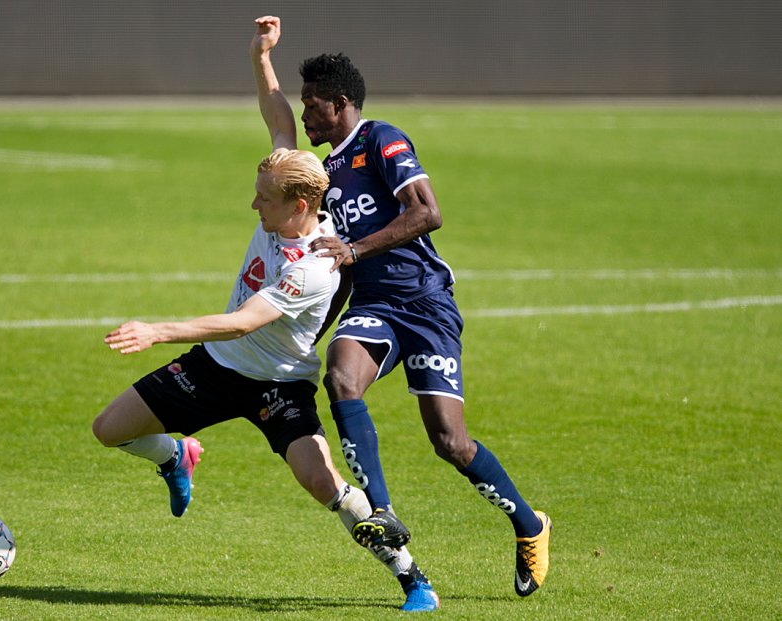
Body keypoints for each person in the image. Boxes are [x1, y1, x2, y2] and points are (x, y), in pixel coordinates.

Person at [91, 49, 437, 609]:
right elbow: (277, 115)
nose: (254, 204)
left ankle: (414, 579)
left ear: (299, 205)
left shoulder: (317, 265)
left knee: (329, 489)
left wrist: (157, 330)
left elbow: (242, 322)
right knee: (109, 430)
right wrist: (261, 56)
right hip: (215, 370)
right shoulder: (288, 177)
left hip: (278, 386)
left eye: (264, 200)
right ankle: (176, 458)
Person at [252, 16, 551, 598]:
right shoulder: (319, 172)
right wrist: (311, 329)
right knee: (342, 377)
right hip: (375, 303)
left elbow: (426, 212)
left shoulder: (381, 139)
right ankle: (382, 511)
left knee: (450, 442)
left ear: (339, 105)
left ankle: (529, 524)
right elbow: (338, 261)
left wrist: (355, 247)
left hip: (426, 303)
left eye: (312, 104)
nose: (305, 114)